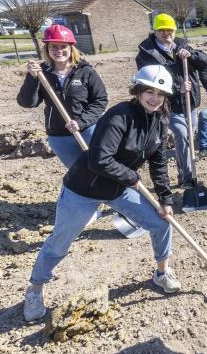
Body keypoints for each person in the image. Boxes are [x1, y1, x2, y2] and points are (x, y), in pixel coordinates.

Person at [23, 65, 180, 322]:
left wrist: (166, 199)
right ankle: (35, 288)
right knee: (60, 242)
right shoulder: (120, 116)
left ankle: (162, 273)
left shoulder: (160, 121)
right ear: (138, 91)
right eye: (149, 91)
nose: (154, 98)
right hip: (84, 189)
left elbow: (159, 162)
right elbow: (99, 159)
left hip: (118, 189)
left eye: (160, 93)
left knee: (162, 223)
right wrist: (131, 177)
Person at [17, 24, 108, 167]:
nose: (59, 51)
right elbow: (27, 103)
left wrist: (81, 122)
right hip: (59, 136)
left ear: (71, 48)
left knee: (102, 168)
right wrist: (32, 78)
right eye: (53, 46)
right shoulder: (42, 73)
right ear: (47, 49)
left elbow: (100, 100)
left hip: (88, 131)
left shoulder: (85, 71)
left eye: (63, 46)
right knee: (78, 173)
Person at [136, 13, 207, 187]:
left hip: (190, 102)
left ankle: (183, 173)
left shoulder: (182, 45)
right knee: (182, 136)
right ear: (155, 31)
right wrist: (178, 89)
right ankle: (188, 178)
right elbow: (149, 83)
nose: (166, 33)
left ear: (175, 31)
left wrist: (190, 54)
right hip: (167, 104)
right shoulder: (146, 54)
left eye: (170, 30)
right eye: (162, 30)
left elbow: (204, 62)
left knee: (189, 137)